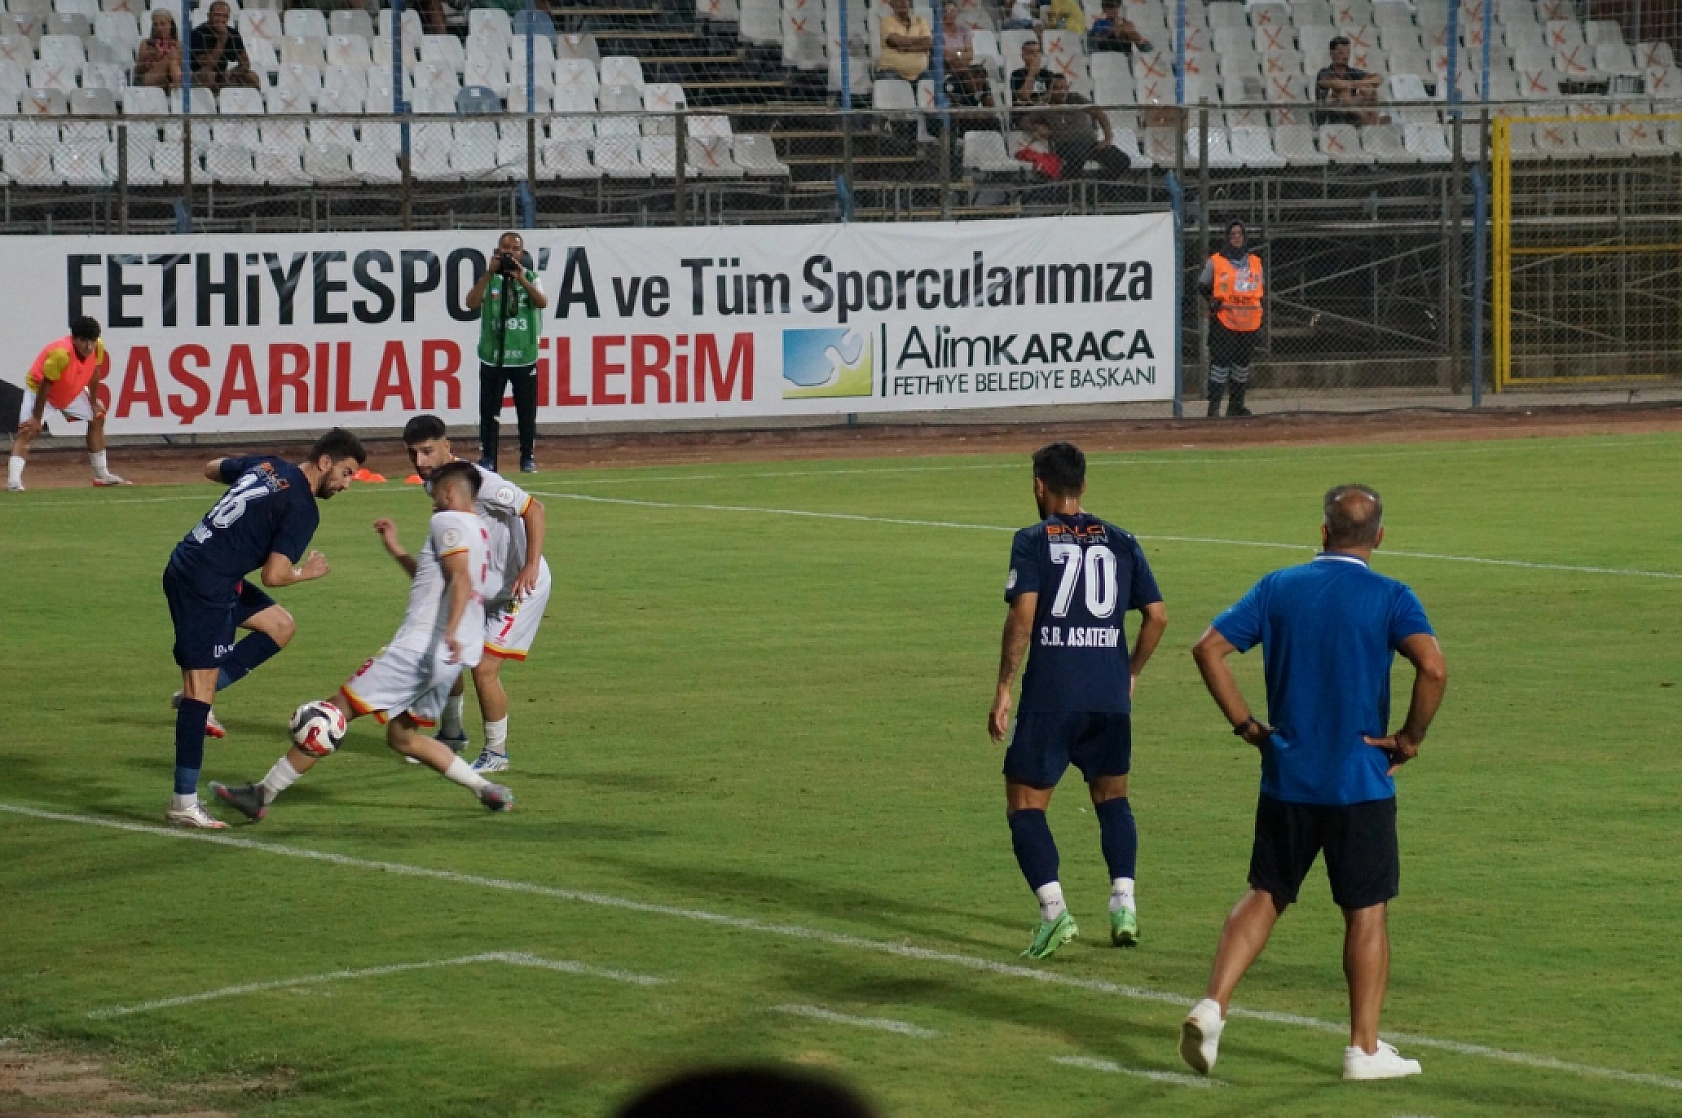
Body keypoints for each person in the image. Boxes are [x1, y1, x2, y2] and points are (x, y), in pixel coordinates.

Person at [1183, 485, 1447, 1081]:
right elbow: (1433, 666)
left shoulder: (1278, 587)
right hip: (1360, 781)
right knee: (1366, 913)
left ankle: (1213, 1005)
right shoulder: (1391, 597)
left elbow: (1208, 650)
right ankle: (1364, 1049)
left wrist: (1248, 726)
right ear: (1378, 538)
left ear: (1322, 532)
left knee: (1265, 893)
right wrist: (1409, 739)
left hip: (1288, 776)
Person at [213, 461, 514, 823]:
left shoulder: (445, 521)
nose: (432, 501)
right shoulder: (480, 531)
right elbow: (440, 580)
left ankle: (262, 793)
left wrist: (448, 629)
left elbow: (460, 579)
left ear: (449, 492)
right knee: (403, 739)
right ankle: (485, 789)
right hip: (453, 659)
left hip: (420, 649)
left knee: (333, 711)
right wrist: (396, 549)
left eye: (434, 493)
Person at [988, 442, 1168, 957]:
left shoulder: (1031, 540)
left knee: (1025, 802)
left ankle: (1053, 911)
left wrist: (1004, 685)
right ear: (1083, 486)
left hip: (1052, 694)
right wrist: (1129, 671)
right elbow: (1157, 616)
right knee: (1113, 799)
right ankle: (1123, 903)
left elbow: (1023, 617)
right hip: (1110, 696)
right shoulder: (1122, 540)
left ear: (1039, 486)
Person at [160, 429, 367, 829]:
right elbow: (275, 575)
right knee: (197, 694)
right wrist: (306, 574)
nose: (346, 484)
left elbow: (211, 468)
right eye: (346, 472)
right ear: (324, 462)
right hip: (206, 585)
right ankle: (183, 802)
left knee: (279, 627)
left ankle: (200, 694)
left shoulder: (269, 465)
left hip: (200, 566)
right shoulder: (303, 508)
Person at [399, 414, 551, 773]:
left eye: (427, 451)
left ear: (447, 446)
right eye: (413, 454)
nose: (420, 462)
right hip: (483, 586)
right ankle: (452, 734)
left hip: (520, 587)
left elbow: (535, 509)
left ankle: (496, 754)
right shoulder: (434, 484)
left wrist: (530, 566)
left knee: (483, 669)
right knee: (447, 651)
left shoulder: (480, 481)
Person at [8, 317, 128, 492]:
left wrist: (93, 402)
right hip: (41, 392)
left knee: (97, 417)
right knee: (28, 431)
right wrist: (36, 417)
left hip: (70, 389)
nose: (88, 346)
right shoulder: (60, 354)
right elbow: (45, 386)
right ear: (74, 338)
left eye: (92, 341)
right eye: (83, 341)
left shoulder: (97, 347)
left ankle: (102, 475)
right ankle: (14, 483)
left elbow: (94, 372)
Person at [466, 232, 548, 475]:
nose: (510, 252)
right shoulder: (489, 279)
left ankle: (527, 457)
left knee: (526, 409)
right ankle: (488, 456)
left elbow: (542, 302)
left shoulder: (531, 277)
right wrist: (489, 273)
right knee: (489, 410)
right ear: (497, 250)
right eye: (505, 247)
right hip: (494, 355)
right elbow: (470, 302)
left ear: (522, 253)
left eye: (515, 248)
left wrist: (521, 279)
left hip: (524, 355)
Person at [1198, 220, 1263, 418]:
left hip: (1249, 322)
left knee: (1241, 366)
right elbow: (1202, 284)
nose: (1236, 237)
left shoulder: (1255, 261)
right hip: (1224, 320)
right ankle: (1214, 407)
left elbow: (1259, 289)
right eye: (1233, 234)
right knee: (1220, 364)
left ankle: (1236, 406)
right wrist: (1212, 300)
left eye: (1240, 234)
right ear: (1227, 237)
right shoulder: (1216, 261)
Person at [1022, 74, 1131, 180]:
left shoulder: (1076, 98)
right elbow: (1024, 122)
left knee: (1122, 160)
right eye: (1056, 88)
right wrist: (1037, 127)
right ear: (1049, 89)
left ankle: (1098, 187)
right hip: (1066, 146)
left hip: (1090, 144)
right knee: (1076, 160)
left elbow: (1099, 114)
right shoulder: (1044, 106)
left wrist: (1108, 138)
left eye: (1064, 87)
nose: (1061, 91)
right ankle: (1077, 189)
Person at [190, 0, 260, 89]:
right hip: (198, 75)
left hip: (222, 74)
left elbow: (245, 63)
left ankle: (253, 101)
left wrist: (233, 72)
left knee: (251, 76)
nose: (221, 19)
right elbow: (207, 65)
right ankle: (211, 101)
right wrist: (222, 39)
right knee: (209, 75)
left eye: (224, 16)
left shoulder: (233, 34)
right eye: (217, 15)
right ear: (209, 15)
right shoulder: (197, 34)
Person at [1315, 35, 1383, 126]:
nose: (1345, 56)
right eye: (1341, 53)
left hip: (1351, 113)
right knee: (1342, 93)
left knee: (1370, 91)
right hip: (1330, 114)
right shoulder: (1324, 72)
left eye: (1348, 53)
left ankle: (1372, 124)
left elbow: (1378, 79)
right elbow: (1337, 84)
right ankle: (1368, 121)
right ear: (1332, 54)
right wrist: (1357, 84)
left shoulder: (1352, 72)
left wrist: (1359, 84)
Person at [876, 0, 933, 81]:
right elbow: (897, 41)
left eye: (906, 0)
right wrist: (919, 40)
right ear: (892, 4)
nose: (903, 2)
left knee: (933, 81)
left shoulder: (920, 21)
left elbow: (928, 43)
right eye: (899, 0)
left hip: (920, 73)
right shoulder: (886, 22)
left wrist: (905, 48)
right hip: (892, 71)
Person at [134, 9, 183, 89]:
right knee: (171, 54)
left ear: (170, 25)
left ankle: (176, 81)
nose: (159, 28)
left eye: (162, 24)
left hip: (169, 77)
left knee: (173, 54)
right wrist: (151, 55)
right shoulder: (146, 43)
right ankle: (177, 81)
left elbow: (184, 66)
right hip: (150, 77)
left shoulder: (178, 45)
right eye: (156, 25)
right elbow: (138, 69)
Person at [1088, 0, 1152, 54]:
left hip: (1123, 63)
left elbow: (1146, 48)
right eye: (1109, 7)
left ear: (1119, 7)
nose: (1113, 10)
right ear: (1104, 9)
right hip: (1104, 62)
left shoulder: (1127, 25)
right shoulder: (1099, 24)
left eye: (1116, 6)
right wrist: (1110, 32)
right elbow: (1095, 44)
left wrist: (1137, 38)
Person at [1009, 39, 1053, 106]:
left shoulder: (1048, 74)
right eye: (1031, 52)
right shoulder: (1016, 74)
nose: (1035, 55)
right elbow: (1023, 97)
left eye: (1038, 52)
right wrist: (1032, 73)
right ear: (1023, 56)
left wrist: (1036, 101)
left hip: (1044, 111)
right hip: (1024, 112)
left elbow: (1050, 96)